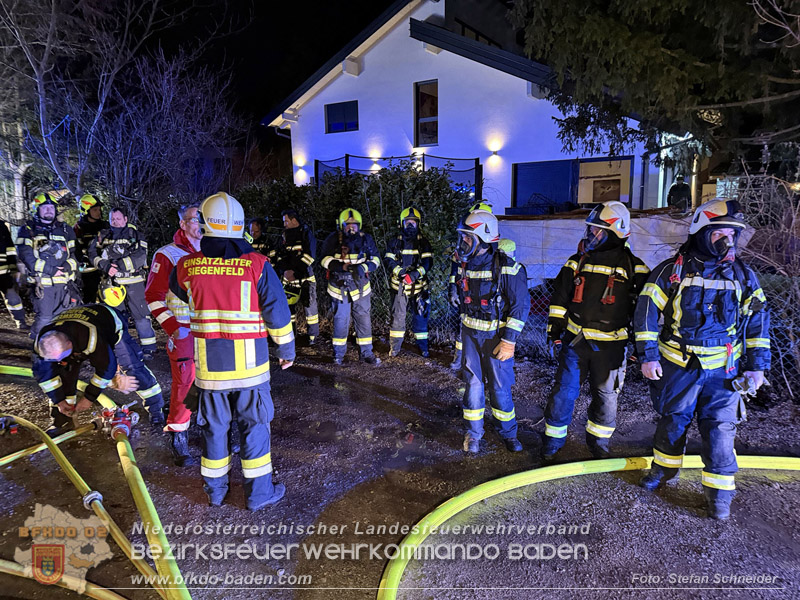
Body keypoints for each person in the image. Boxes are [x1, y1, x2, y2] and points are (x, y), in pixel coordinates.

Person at [635, 198, 770, 520]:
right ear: (701, 232)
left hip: (724, 372)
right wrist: (648, 357)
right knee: (672, 422)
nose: (727, 238)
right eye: (719, 231)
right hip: (679, 366)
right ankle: (664, 473)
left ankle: (719, 495)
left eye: (732, 232)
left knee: (721, 431)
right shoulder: (671, 272)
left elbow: (758, 320)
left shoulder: (744, 275)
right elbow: (646, 316)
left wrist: (758, 366)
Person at [170, 192, 294, 510]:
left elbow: (177, 294)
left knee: (214, 429)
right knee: (255, 429)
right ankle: (258, 494)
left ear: (205, 225)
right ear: (240, 226)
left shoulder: (187, 266)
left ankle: (215, 492)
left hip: (211, 371)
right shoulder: (257, 265)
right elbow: (277, 313)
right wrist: (286, 349)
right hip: (251, 370)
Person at [542, 201, 649, 460]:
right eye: (590, 230)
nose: (590, 235)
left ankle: (598, 443)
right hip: (575, 343)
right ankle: (551, 444)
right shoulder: (575, 263)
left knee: (606, 397)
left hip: (612, 348)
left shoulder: (636, 268)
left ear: (615, 232)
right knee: (564, 393)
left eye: (597, 231)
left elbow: (643, 313)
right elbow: (559, 300)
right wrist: (554, 334)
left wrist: (640, 349)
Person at [455, 209, 530, 453]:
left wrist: (509, 341)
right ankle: (474, 435)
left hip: (497, 338)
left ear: (483, 238)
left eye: (468, 237)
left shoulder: (509, 268)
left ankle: (509, 433)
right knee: (473, 386)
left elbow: (521, 306)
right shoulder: (463, 265)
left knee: (499, 389)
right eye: (463, 237)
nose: (463, 242)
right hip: (470, 336)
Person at [32, 303, 165, 436]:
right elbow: (44, 376)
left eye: (60, 357)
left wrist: (90, 397)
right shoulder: (44, 343)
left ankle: (156, 410)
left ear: (69, 345)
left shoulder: (90, 337)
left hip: (108, 321)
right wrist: (59, 401)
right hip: (73, 331)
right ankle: (63, 421)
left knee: (133, 369)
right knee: (63, 373)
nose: (58, 361)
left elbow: (107, 367)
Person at [145, 203, 202, 466]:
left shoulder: (211, 251)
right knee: (185, 382)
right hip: (183, 332)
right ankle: (178, 433)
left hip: (209, 331)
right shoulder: (167, 254)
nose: (200, 223)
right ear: (182, 224)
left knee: (215, 381)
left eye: (204, 218)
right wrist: (173, 329)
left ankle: (214, 430)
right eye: (195, 219)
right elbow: (153, 296)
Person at [89, 206, 157, 358]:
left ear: (126, 219)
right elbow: (92, 253)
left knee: (141, 316)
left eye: (118, 219)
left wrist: (118, 265)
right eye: (113, 219)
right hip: (112, 284)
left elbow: (140, 256)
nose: (115, 222)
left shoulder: (136, 235)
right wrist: (105, 265)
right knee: (116, 317)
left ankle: (149, 348)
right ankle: (122, 348)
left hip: (134, 282)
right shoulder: (103, 235)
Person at [319, 208, 382, 365]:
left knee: (363, 319)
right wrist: (342, 267)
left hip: (361, 287)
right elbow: (324, 260)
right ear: (341, 225)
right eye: (348, 224)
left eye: (355, 225)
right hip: (339, 287)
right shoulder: (333, 239)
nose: (351, 228)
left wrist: (364, 268)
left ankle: (366, 353)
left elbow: (376, 260)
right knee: (341, 320)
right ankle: (338, 355)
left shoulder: (366, 239)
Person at [16, 193, 79, 338]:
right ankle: (38, 350)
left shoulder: (65, 230)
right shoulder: (27, 230)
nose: (49, 210)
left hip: (64, 284)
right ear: (36, 210)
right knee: (44, 318)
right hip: (43, 285)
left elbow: (75, 255)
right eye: (45, 208)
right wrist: (51, 270)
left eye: (51, 207)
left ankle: (59, 352)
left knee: (63, 320)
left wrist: (68, 267)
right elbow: (26, 255)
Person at [448, 202, 494, 370]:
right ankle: (460, 359)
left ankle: (480, 364)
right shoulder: (465, 246)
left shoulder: (492, 251)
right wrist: (453, 288)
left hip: (485, 298)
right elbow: (456, 269)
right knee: (463, 325)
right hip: (465, 293)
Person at [385, 207, 433, 357]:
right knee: (397, 320)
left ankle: (423, 348)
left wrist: (414, 275)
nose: (411, 225)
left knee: (420, 319)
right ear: (401, 224)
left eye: (414, 222)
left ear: (418, 224)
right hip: (399, 288)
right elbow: (388, 260)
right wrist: (401, 273)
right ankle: (395, 349)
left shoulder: (423, 243)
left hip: (419, 289)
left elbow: (428, 262)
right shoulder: (394, 243)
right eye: (408, 222)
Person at [268, 209, 320, 344]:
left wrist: (295, 273)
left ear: (294, 221)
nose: (284, 224)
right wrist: (285, 271)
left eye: (286, 221)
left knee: (310, 310)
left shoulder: (306, 234)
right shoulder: (284, 235)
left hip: (305, 279)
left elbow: (309, 257)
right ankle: (291, 334)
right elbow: (279, 255)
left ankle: (312, 338)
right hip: (288, 279)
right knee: (289, 310)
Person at [73, 194, 109, 304]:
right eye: (95, 209)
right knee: (89, 301)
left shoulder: (105, 226)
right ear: (86, 210)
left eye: (99, 209)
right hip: (87, 273)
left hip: (105, 270)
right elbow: (74, 250)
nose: (98, 212)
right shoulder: (78, 229)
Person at [0, 218, 28, 329]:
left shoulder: (1, 226)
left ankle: (20, 321)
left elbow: (10, 249)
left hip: (4, 274)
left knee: (13, 299)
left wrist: (14, 269)